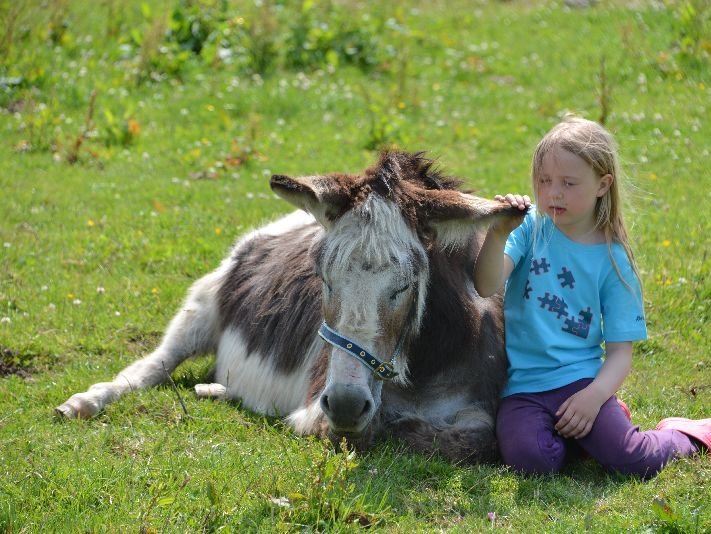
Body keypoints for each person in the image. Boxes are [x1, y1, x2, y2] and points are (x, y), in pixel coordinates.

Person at [474, 115, 709, 477]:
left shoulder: (613, 259)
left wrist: (595, 397)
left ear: (603, 185)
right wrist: (498, 233)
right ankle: (582, 435)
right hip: (522, 387)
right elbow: (486, 286)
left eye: (569, 183)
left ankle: (687, 434)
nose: (553, 193)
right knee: (530, 463)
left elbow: (620, 353)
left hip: (582, 382)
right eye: (544, 181)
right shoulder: (528, 229)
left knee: (635, 461)